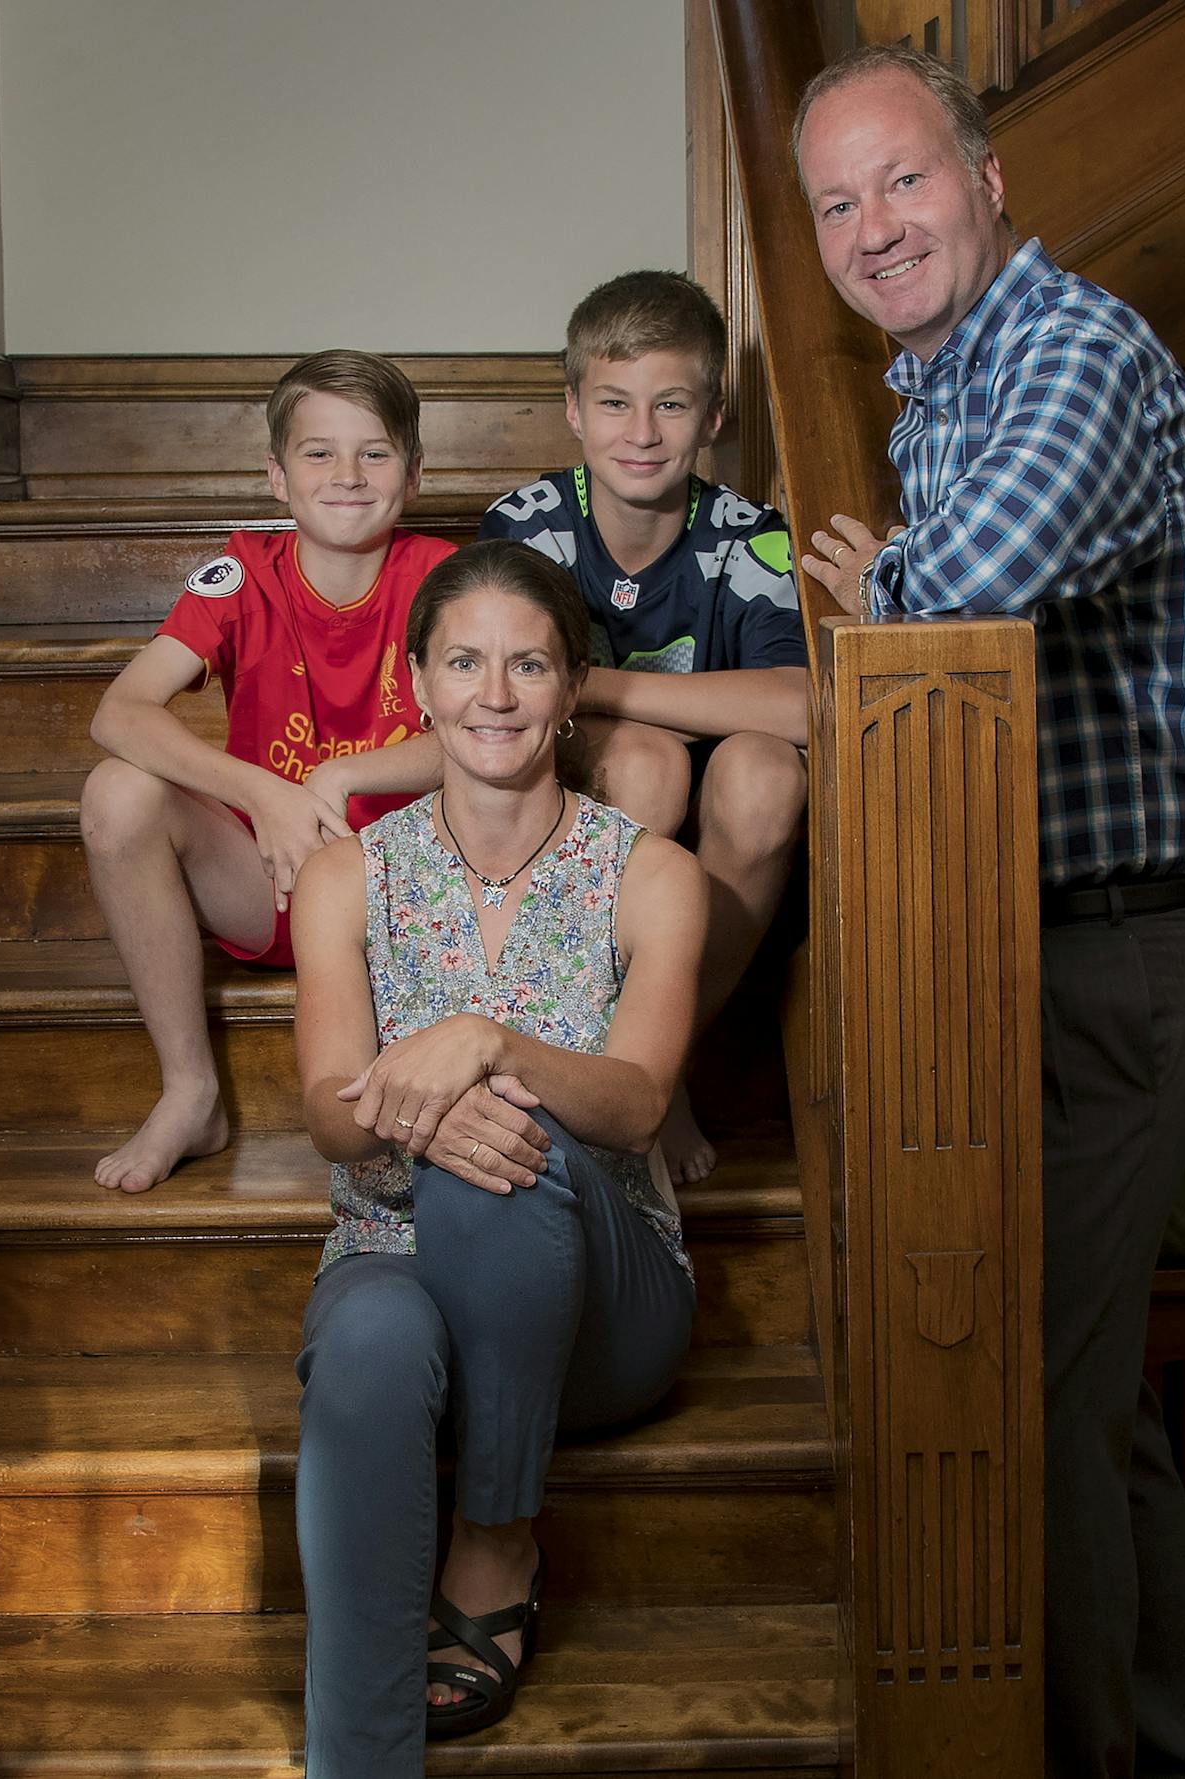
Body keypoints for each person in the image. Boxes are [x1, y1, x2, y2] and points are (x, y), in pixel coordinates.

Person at [793, 44, 1185, 1779]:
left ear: (986, 177)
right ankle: (1171, 1744)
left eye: (900, 179)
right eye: (833, 203)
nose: (870, 225)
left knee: (1038, 1405)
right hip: (1011, 949)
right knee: (1092, 1395)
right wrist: (884, 582)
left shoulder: (1070, 350)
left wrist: (877, 579)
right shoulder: (940, 389)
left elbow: (960, 591)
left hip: (1110, 961)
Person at [290, 539, 705, 1775]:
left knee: (504, 1155)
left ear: (572, 688)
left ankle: (495, 1537)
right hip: (387, 1252)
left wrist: (482, 1045)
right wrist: (433, 1099)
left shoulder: (651, 874)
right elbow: (327, 1115)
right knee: (365, 1343)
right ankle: (358, 1755)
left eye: (528, 664)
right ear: (418, 683)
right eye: (465, 662)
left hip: (601, 1307)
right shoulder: (346, 874)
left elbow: (631, 1111)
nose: (496, 693)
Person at [79, 350, 454, 1193]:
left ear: (416, 472)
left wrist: (341, 775)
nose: (348, 475)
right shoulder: (243, 570)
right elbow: (120, 711)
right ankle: (191, 1088)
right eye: (319, 452)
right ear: (277, 477)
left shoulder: (443, 575)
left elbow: (489, 731)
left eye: (376, 452)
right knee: (117, 789)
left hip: (401, 904)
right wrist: (265, 791)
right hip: (269, 880)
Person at [478, 270, 808, 1184]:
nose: (643, 432)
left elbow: (799, 706)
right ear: (575, 411)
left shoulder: (750, 537)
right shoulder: (528, 530)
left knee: (769, 772)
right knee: (654, 765)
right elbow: (501, 691)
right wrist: (630, 714)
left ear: (711, 419)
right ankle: (602, 1057)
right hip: (572, 801)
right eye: (615, 403)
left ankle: (657, 1066)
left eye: (672, 404)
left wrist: (607, 685)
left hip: (720, 842)